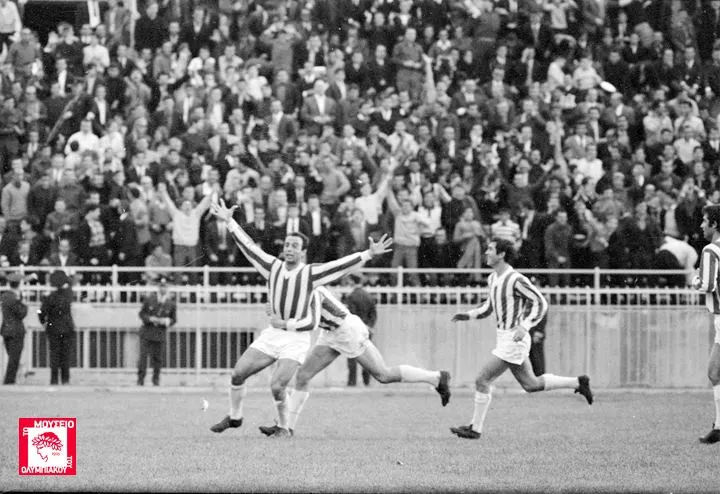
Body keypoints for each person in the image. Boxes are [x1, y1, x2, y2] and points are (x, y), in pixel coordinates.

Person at [208, 198, 393, 435]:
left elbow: (339, 266)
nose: (289, 248)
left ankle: (284, 428)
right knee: (237, 374)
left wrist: (367, 253)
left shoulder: (310, 274)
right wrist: (230, 222)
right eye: (287, 244)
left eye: (294, 246)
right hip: (273, 333)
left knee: (277, 385)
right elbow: (250, 248)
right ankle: (235, 417)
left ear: (303, 252)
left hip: (296, 338)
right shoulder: (272, 267)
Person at [258, 284, 451, 437]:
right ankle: (286, 428)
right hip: (331, 333)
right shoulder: (298, 288)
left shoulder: (309, 287)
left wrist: (281, 320)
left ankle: (436, 378)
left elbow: (309, 321)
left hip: (347, 331)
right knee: (303, 376)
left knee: (383, 375)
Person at [449, 238, 593, 440]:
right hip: (505, 338)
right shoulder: (493, 278)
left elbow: (541, 303)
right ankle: (578, 382)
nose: (486, 252)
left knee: (482, 379)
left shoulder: (515, 279)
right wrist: (469, 315)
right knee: (530, 384)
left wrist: (525, 326)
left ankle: (475, 429)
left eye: (490, 249)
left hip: (514, 339)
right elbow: (489, 306)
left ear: (502, 254)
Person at [691, 204, 720, 444]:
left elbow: (707, 285)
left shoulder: (711, 249)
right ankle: (719, 426)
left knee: (714, 371)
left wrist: (695, 280)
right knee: (714, 372)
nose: (701, 225)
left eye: (704, 220)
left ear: (715, 224)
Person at [137, 275, 176, 386]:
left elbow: (173, 319)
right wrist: (150, 319)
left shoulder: (171, 303)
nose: (163, 288)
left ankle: (156, 379)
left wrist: (166, 321)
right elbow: (142, 314)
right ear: (158, 287)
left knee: (158, 358)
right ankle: (140, 379)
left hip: (160, 333)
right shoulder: (150, 299)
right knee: (143, 357)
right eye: (161, 286)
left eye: (165, 286)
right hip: (147, 331)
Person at [38, 270, 76, 385]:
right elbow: (69, 285)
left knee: (54, 355)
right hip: (67, 327)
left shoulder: (48, 297)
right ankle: (65, 379)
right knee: (66, 355)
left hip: (53, 328)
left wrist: (44, 322)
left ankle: (54, 379)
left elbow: (40, 312)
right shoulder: (68, 295)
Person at [345, 273, 375, 387]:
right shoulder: (368, 295)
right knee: (366, 356)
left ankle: (352, 382)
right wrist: (369, 326)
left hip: (354, 330)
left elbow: (352, 315)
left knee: (352, 356)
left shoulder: (351, 296)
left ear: (353, 281)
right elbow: (373, 314)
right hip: (367, 329)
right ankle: (366, 381)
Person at [1, 273, 27, 384]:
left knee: (11, 356)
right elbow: (21, 313)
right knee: (14, 357)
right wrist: (24, 304)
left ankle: (10, 379)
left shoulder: (4, 296)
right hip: (16, 330)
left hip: (6, 329)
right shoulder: (14, 298)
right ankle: (9, 379)